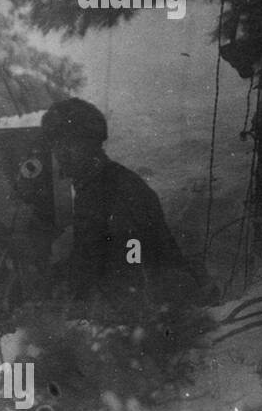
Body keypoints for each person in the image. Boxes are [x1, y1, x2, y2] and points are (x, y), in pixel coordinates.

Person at [42, 98, 209, 306]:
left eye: (71, 142)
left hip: (143, 309)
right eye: (56, 144)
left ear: (93, 144)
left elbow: (134, 263)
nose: (62, 153)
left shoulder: (117, 190)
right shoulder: (92, 189)